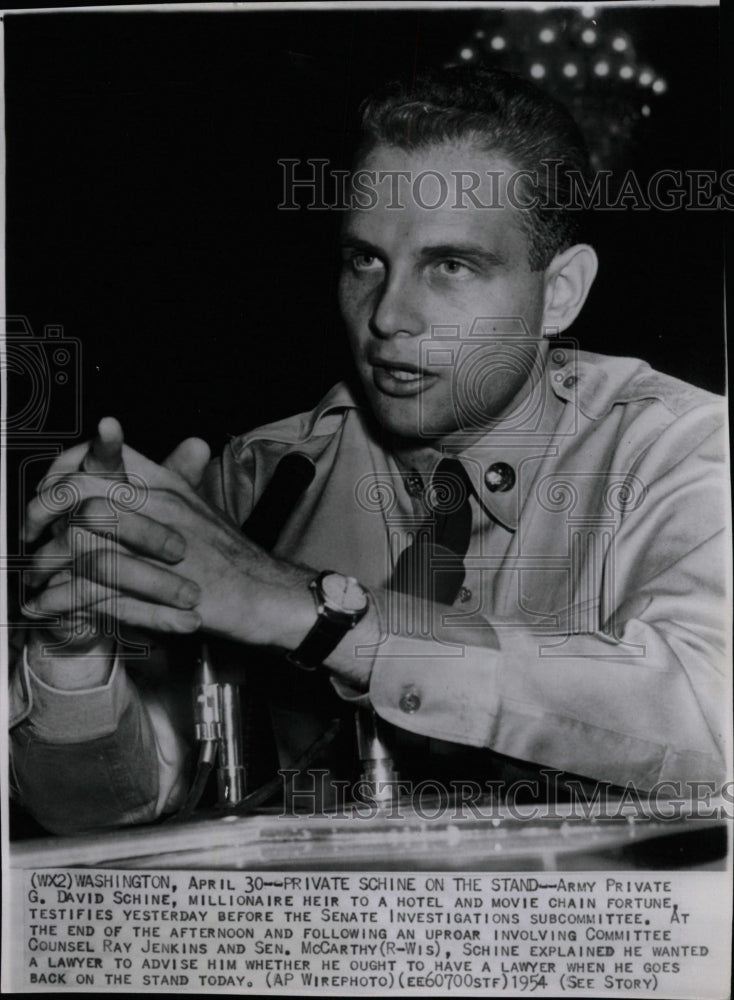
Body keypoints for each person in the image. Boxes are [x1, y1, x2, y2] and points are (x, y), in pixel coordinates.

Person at [9, 67, 728, 835]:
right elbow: (108, 812)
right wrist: (75, 651)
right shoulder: (262, 478)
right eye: (365, 261)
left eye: (450, 266)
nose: (388, 316)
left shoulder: (680, 453)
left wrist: (306, 608)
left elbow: (711, 721)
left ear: (560, 293)